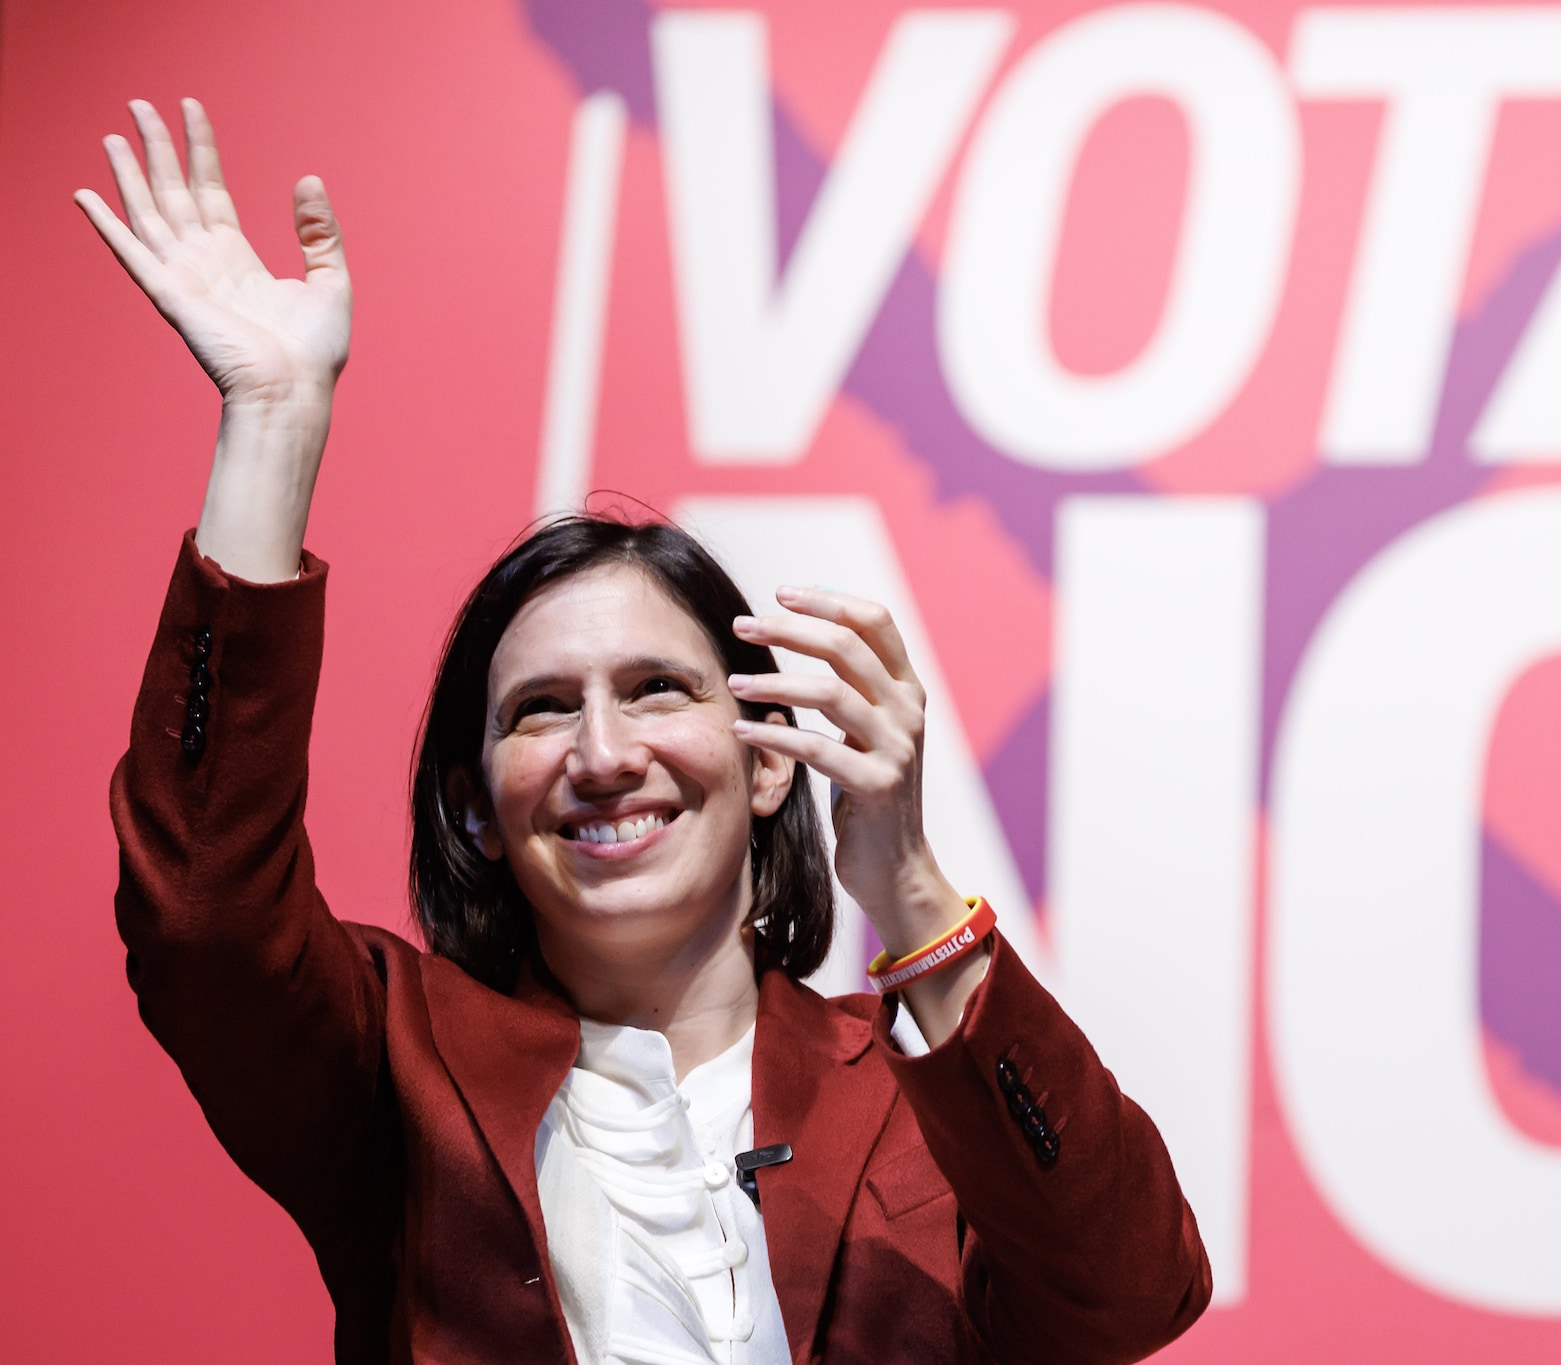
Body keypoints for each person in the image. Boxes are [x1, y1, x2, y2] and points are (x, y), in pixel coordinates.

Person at [83, 99, 1210, 1365]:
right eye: (541, 709)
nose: (604, 755)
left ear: (769, 757)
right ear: (472, 806)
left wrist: (906, 887)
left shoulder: (916, 1106)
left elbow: (1129, 1295)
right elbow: (204, 917)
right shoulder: (396, 1068)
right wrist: (274, 425)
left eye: (657, 690)